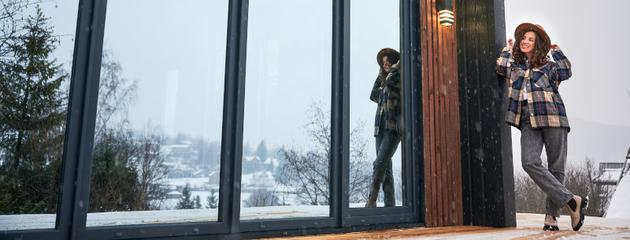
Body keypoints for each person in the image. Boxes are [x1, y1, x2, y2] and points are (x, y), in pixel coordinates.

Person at [496, 23, 587, 231]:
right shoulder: (515, 66)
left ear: (537, 45)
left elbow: (566, 70)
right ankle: (572, 201)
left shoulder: (549, 67)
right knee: (529, 162)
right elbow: (501, 67)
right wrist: (508, 50)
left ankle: (551, 219)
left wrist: (556, 51)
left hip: (554, 118)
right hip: (528, 120)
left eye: (531, 39)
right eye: (524, 38)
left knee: (556, 168)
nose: (526, 41)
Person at [366, 48, 401, 208]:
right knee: (386, 168)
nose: (385, 65)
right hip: (379, 126)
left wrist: (394, 70)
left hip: (393, 126)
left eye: (388, 62)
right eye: (384, 63)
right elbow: (373, 94)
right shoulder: (382, 77)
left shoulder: (398, 75)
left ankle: (371, 200)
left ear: (394, 63)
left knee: (379, 163)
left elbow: (389, 83)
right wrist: (383, 88)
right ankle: (390, 206)